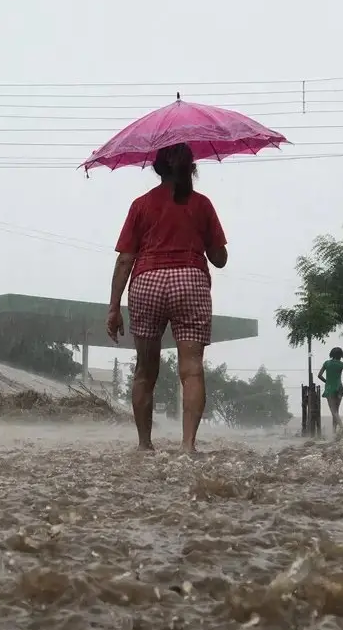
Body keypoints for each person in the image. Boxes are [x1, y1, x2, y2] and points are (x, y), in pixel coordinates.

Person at [105, 142, 228, 453]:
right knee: (192, 369)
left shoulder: (141, 205)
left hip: (147, 282)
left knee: (145, 371)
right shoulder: (202, 205)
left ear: (158, 168)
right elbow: (219, 258)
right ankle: (188, 447)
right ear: (192, 169)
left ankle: (145, 446)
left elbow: (124, 260)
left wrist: (113, 308)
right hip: (190, 282)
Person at [317, 347, 343, 433]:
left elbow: (319, 375)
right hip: (339, 388)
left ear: (331, 355)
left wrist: (327, 381)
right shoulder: (342, 364)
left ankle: (341, 427)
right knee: (336, 411)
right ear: (341, 355)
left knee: (333, 411)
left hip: (330, 389)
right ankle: (334, 431)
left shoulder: (326, 363)